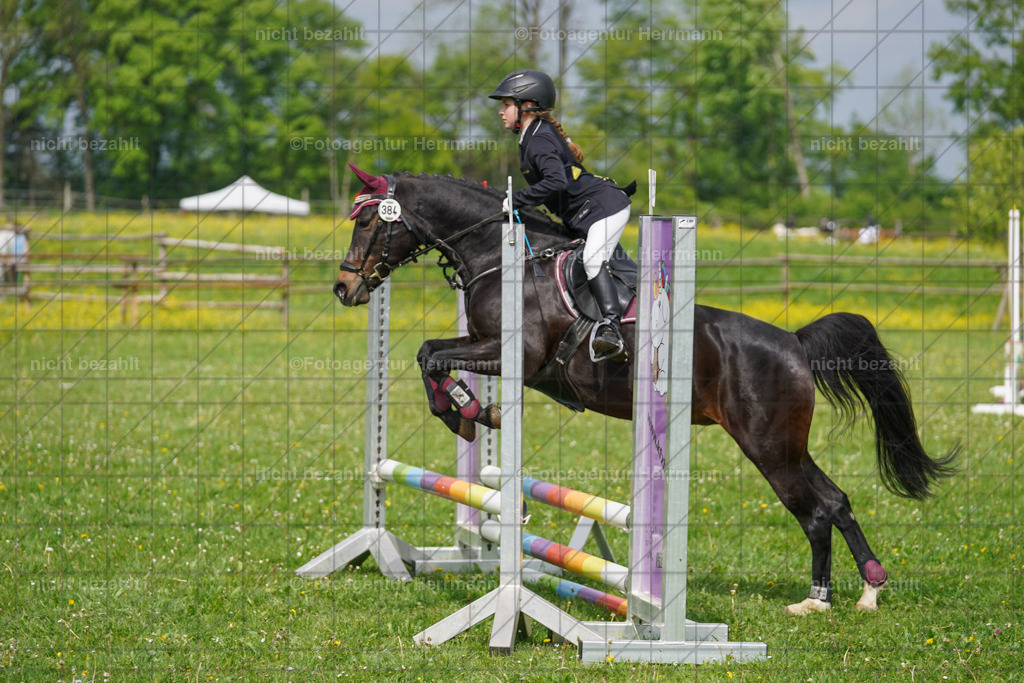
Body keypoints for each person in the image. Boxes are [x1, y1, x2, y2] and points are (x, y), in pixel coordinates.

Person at [489, 68, 633, 362]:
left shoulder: (538, 139)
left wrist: (515, 200)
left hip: (605, 208)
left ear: (526, 105)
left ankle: (611, 328)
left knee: (593, 259)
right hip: (587, 213)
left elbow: (557, 182)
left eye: (506, 105)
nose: (501, 112)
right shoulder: (535, 134)